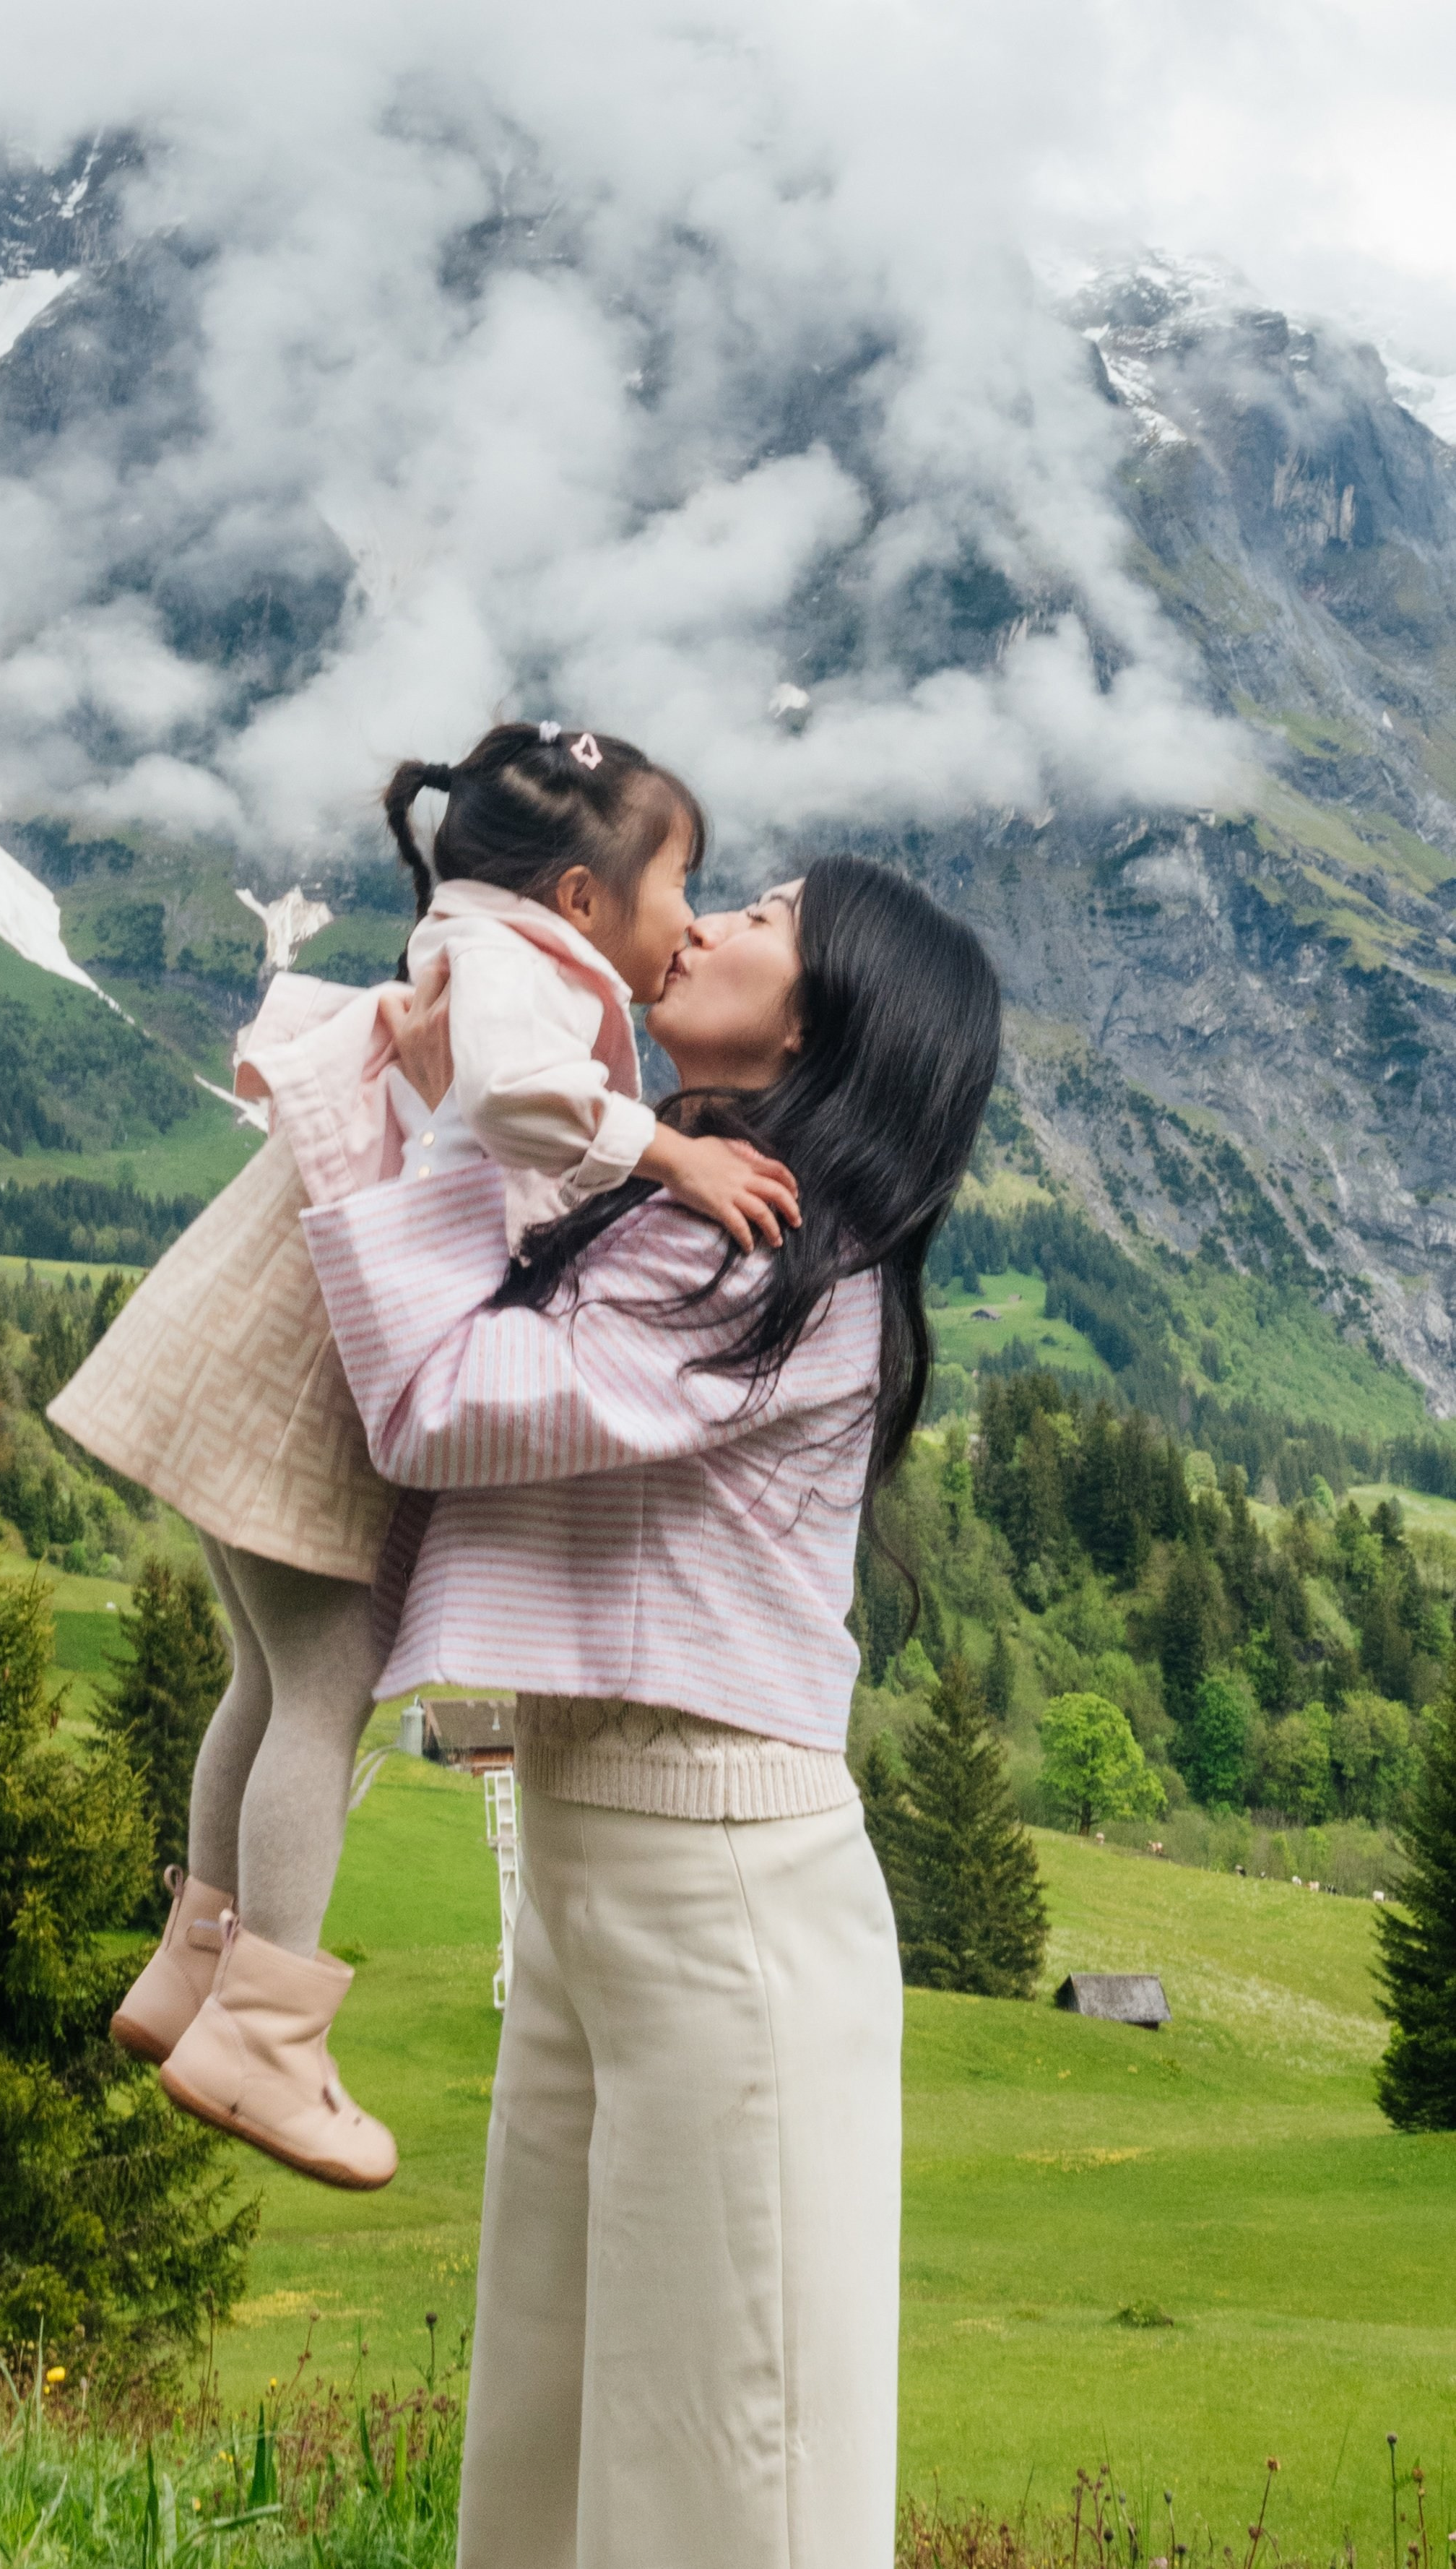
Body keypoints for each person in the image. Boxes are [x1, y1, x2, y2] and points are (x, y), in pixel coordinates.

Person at [304, 855, 1002, 2569]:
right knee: (547, 2447)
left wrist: (353, 1142)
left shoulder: (786, 1276)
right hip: (590, 1861)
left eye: (760, 921)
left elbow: (441, 1406)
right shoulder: (676, 1203)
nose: (698, 924)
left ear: (822, 1023)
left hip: (726, 1897)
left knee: (727, 2468)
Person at [47, 722, 796, 2191]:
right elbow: (509, 1098)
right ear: (583, 896)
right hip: (317, 1357)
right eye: (680, 879)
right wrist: (674, 1153)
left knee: (264, 1682)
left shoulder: (491, 939)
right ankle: (267, 2028)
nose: (693, 916)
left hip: (264, 1324)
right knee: (325, 1695)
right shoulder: (525, 973)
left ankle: (191, 1969)